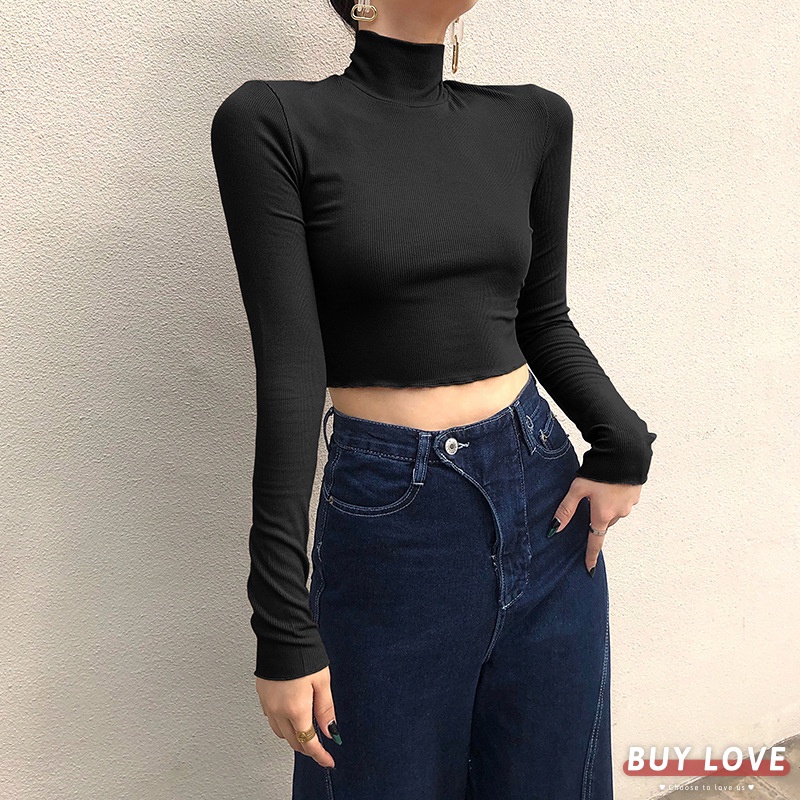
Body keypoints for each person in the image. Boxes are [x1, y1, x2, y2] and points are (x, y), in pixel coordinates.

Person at [210, 0, 657, 797]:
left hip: (544, 501)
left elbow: (541, 318)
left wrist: (621, 441)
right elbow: (289, 368)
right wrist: (280, 618)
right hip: (393, 527)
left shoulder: (533, 119)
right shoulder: (272, 122)